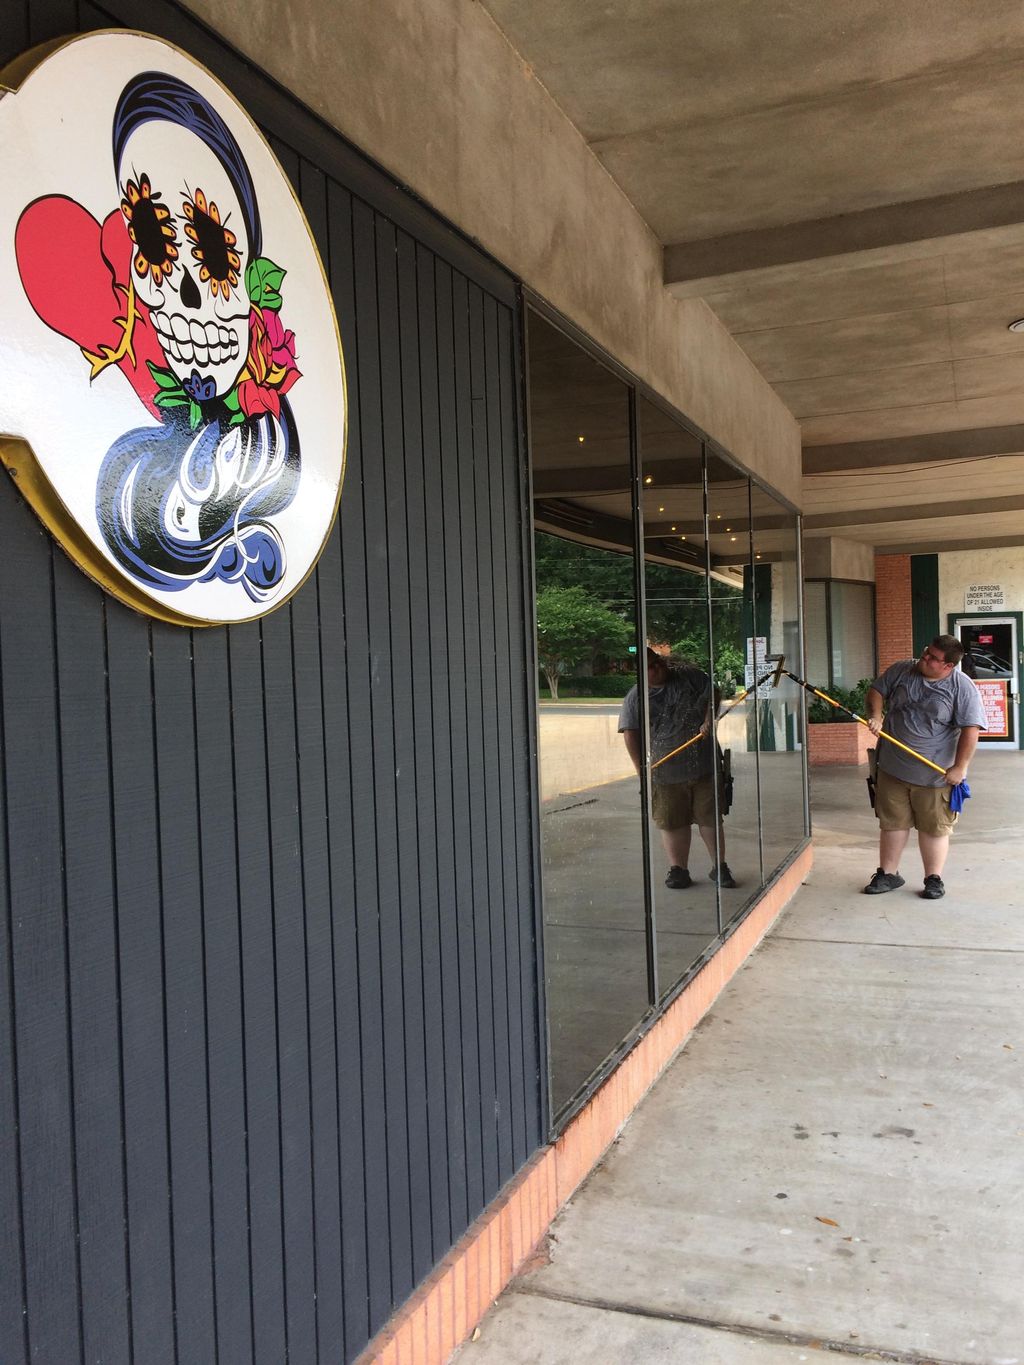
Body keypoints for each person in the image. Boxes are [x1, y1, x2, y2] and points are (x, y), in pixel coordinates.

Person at [863, 635, 986, 900]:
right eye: (926, 652)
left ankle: (933, 878)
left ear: (948, 666)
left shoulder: (961, 687)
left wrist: (960, 767)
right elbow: (876, 691)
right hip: (892, 768)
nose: (925, 659)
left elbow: (971, 730)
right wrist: (876, 715)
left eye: (933, 658)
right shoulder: (902, 670)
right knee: (892, 824)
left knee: (934, 827)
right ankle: (888, 873)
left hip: (935, 774)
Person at [619, 648, 736, 890]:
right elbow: (631, 734)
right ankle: (678, 870)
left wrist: (708, 719)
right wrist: (642, 771)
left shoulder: (689, 676)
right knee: (673, 821)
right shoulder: (636, 698)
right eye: (651, 666)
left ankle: (720, 867)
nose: (659, 668)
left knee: (710, 818)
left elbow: (712, 692)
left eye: (658, 662)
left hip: (704, 765)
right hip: (666, 769)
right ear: (639, 674)